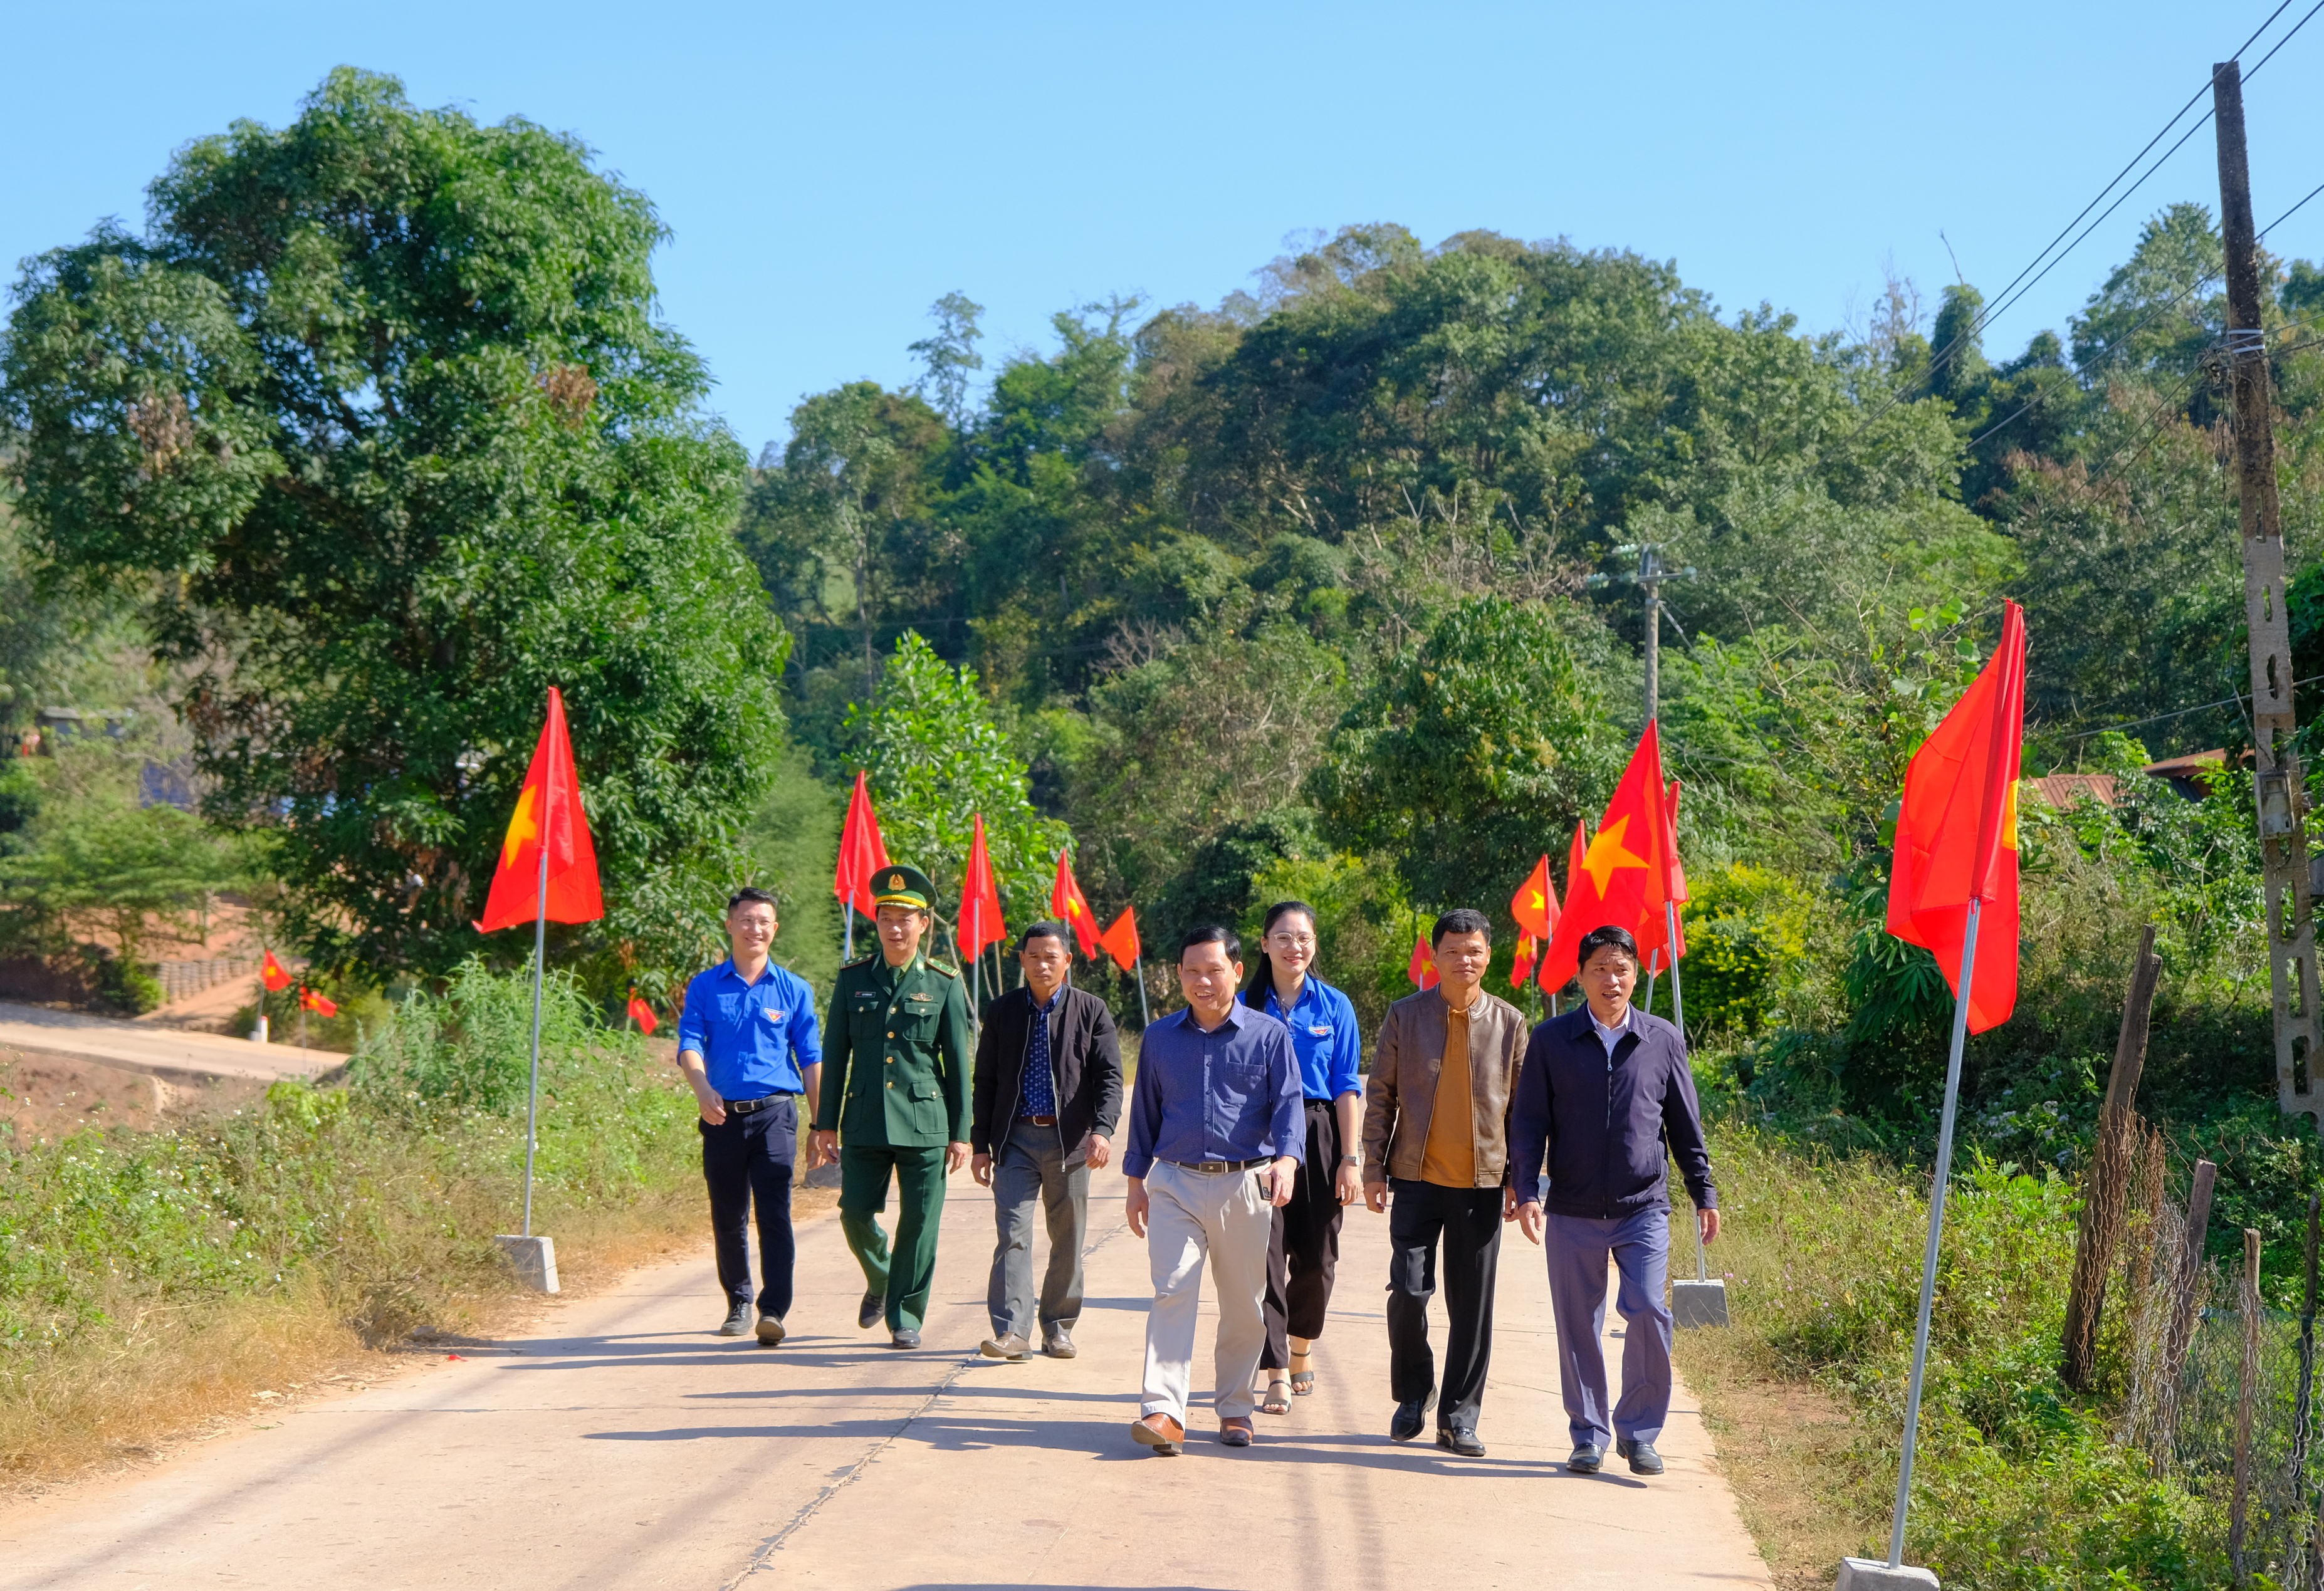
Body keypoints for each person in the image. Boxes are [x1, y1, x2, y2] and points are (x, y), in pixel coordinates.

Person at [1510, 922, 1719, 1478]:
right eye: (1600, 967)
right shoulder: (1552, 1040)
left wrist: (1704, 1190)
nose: (1612, 978)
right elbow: (1529, 1123)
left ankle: (1639, 1431)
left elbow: (1684, 1124)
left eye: (1622, 968)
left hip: (1643, 1206)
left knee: (1649, 1310)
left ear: (1636, 974)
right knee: (1579, 1322)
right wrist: (1526, 1189)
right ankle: (1588, 1433)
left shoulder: (1661, 1039)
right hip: (1573, 1209)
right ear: (1581, 975)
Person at [1123, 926, 1302, 1455]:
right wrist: (1136, 1186)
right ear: (1179, 975)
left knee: (1244, 1305)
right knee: (1172, 1290)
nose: (1203, 980)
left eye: (1214, 970)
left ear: (1238, 971)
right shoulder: (1159, 1038)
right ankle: (1164, 1410)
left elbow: (1289, 1107)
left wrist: (1288, 1161)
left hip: (1245, 1184)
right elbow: (1144, 1118)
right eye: (1192, 971)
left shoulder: (1268, 1035)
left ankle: (1234, 1407)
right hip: (1174, 1182)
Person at [1360, 907, 1528, 1458]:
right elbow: (1380, 1093)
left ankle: (1460, 1417)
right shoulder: (1406, 1016)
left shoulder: (1510, 1023)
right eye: (1453, 950)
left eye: (1474, 950)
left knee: (1472, 1306)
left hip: (1481, 1186)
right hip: (1416, 1177)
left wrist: (1517, 1181)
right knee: (1408, 1292)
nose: (1464, 959)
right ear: (1436, 956)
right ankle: (1414, 1395)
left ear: (1488, 956)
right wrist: (1372, 1165)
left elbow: (1521, 1114)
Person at [810, 865, 973, 1350]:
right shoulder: (853, 978)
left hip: (926, 1122)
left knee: (920, 1225)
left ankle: (905, 1316)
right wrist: (824, 1124)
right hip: (864, 1119)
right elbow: (835, 1053)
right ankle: (881, 1277)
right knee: (854, 1213)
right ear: (875, 922)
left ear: (924, 925)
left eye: (907, 917)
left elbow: (960, 1064)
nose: (896, 926)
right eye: (887, 916)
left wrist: (962, 1131)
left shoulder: (943, 982)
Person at [674, 887, 824, 1345]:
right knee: (728, 1214)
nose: (754, 928)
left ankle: (773, 1308)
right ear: (730, 925)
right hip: (722, 1117)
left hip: (776, 1113)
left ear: (774, 929)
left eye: (764, 921)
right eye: (746, 920)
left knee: (775, 1212)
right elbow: (690, 1044)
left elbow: (811, 1057)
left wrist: (821, 1125)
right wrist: (702, 1089)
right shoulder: (705, 986)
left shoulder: (794, 989)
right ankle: (738, 1300)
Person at [970, 922, 1124, 1362]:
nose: (1042, 964)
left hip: (1070, 1142)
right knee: (1012, 1235)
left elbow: (1110, 1077)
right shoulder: (1002, 1012)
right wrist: (981, 1143)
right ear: (1021, 959)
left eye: (1051, 956)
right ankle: (1011, 1332)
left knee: (1068, 1238)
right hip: (1014, 1139)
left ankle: (1057, 1326)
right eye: (1033, 955)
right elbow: (985, 1080)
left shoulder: (1091, 1010)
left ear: (1067, 961)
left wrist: (1103, 1130)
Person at [1242, 900, 1362, 1414]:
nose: (1295, 947)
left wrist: (1350, 1157)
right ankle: (1274, 1372)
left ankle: (1299, 1347)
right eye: (1284, 937)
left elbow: (1347, 1085)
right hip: (1259, 1135)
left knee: (1317, 1258)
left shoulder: (1335, 1005)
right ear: (1264, 943)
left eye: (1305, 938)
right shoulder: (1244, 1005)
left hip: (1320, 1132)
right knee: (1265, 1259)